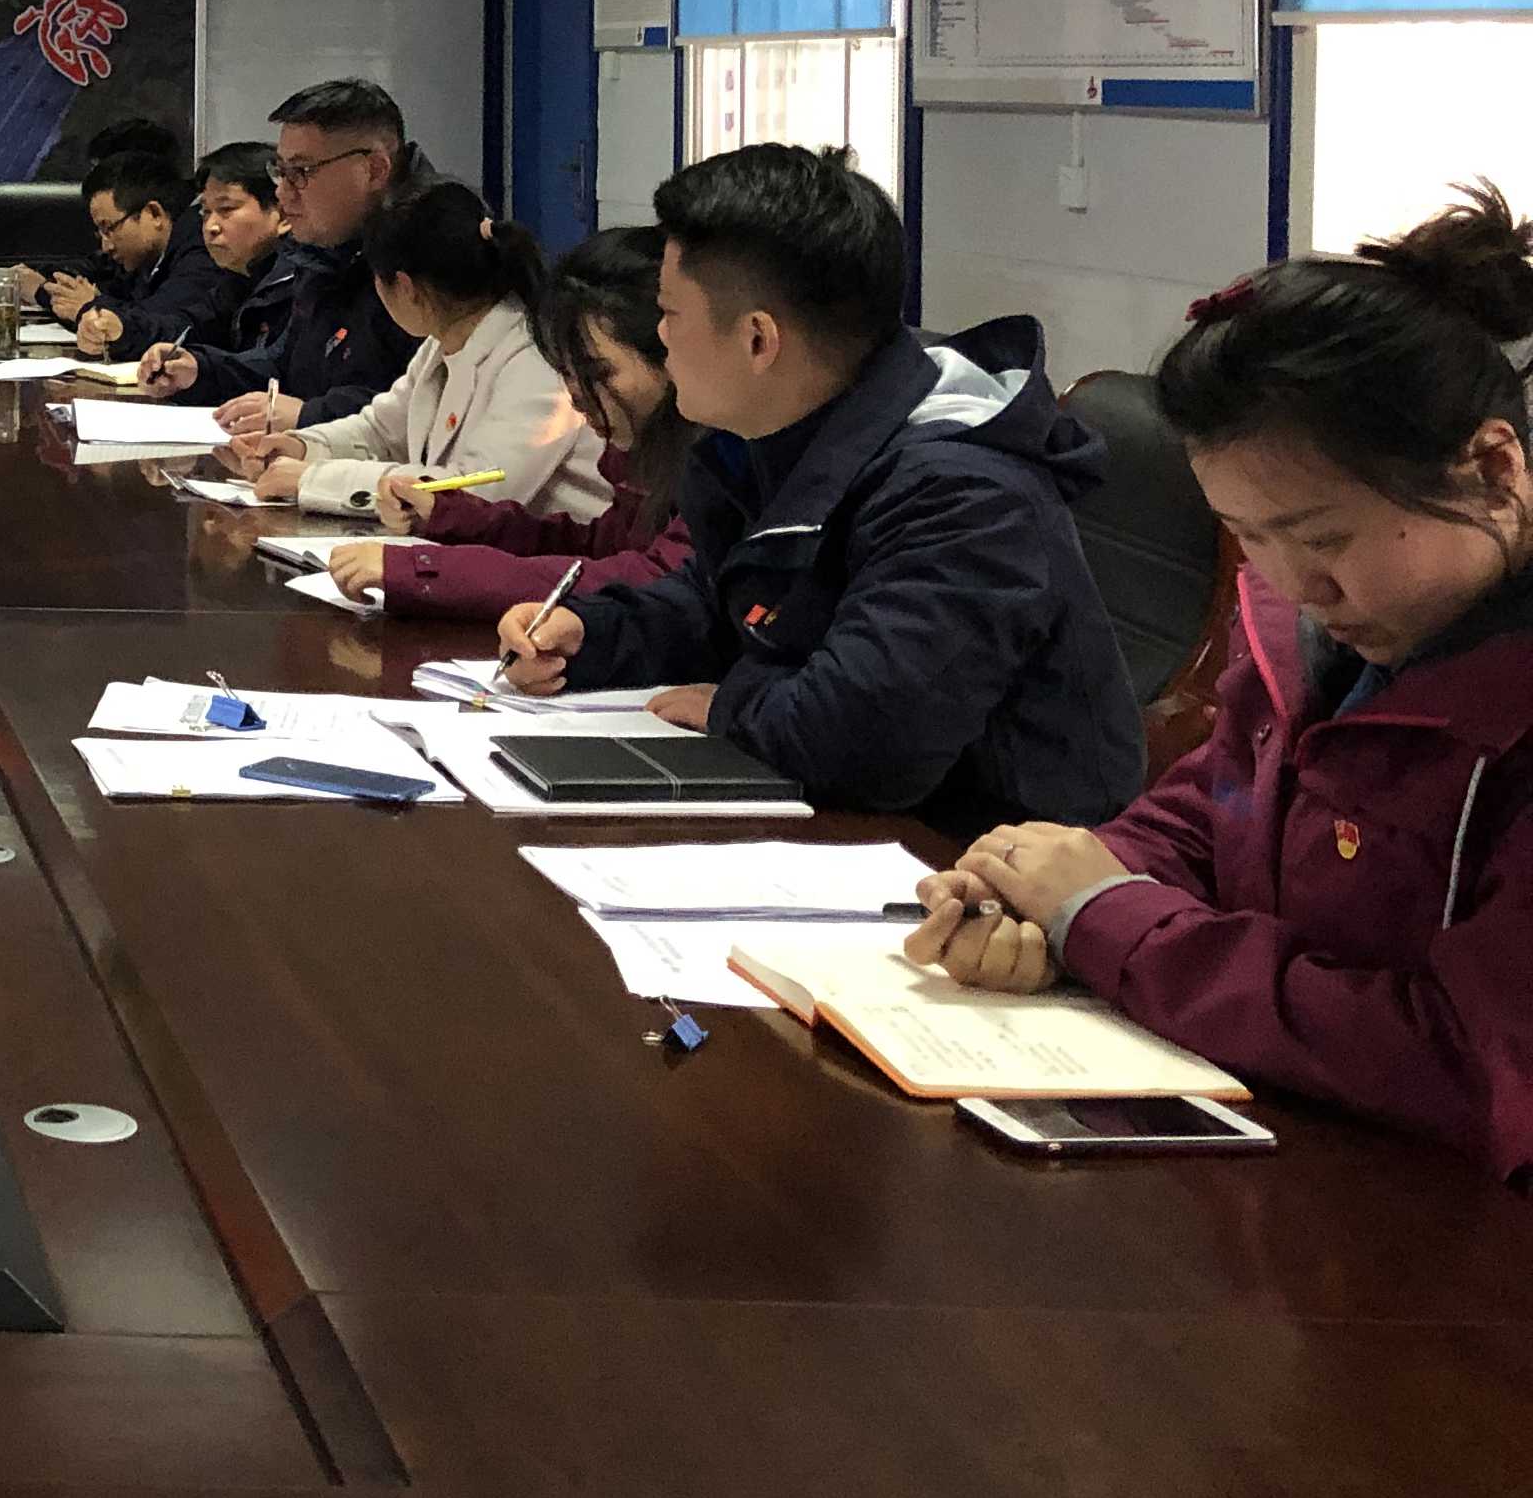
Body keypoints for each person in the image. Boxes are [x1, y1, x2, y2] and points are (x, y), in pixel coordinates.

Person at [904, 195, 1533, 1183]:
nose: (1298, 585)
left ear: (1494, 470)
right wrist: (1043, 891)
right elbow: (1218, 809)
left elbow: (1473, 1069)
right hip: (1290, 1161)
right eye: (1250, 536)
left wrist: (1107, 919)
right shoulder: (1318, 638)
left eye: (1325, 537)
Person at [496, 145, 1142, 837]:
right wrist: (592, 635)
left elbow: (867, 742)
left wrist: (728, 703)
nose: (659, 337)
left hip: (970, 859)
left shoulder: (965, 492)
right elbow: (728, 605)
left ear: (758, 340)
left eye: (669, 314)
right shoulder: (775, 436)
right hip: (830, 821)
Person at [325, 224, 694, 614]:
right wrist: (451, 517)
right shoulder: (648, 449)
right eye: (567, 374)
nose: (576, 397)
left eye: (597, 373)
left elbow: (648, 578)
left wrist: (425, 570)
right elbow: (602, 546)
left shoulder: (714, 455)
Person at [232, 181, 604, 526]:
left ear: (405, 286)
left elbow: (473, 492)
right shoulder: (444, 339)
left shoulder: (536, 360)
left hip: (568, 560)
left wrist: (315, 479)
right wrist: (303, 447)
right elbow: (380, 430)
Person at [168, 80, 431, 427]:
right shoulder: (324, 245)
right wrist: (201, 370)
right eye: (281, 172)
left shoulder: (436, 249)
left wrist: (308, 415)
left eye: (301, 172)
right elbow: (288, 363)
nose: (283, 192)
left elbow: (427, 408)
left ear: (374, 170)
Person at [47, 158, 225, 357]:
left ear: (154, 214)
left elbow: (168, 323)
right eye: (206, 212)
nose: (106, 246)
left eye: (109, 228)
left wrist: (93, 307)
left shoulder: (201, 253)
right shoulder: (145, 258)